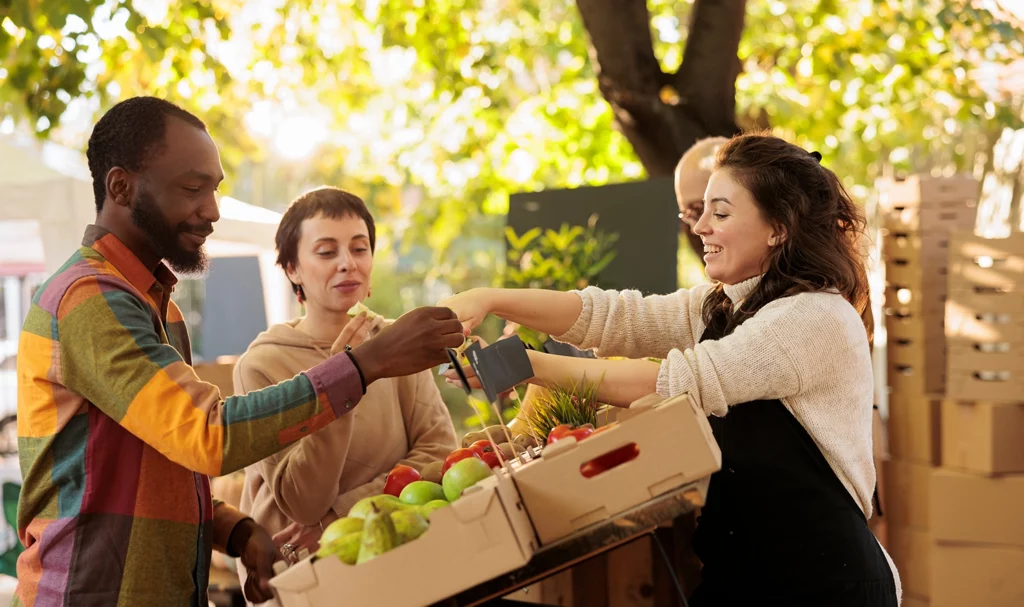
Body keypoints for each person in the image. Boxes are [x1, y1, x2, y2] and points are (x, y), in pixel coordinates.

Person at [14, 96, 463, 607]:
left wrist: (238, 532)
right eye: (191, 189)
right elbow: (206, 434)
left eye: (215, 189)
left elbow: (165, 464)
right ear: (121, 186)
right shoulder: (87, 299)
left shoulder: (158, 307)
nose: (212, 211)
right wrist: (365, 366)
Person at [441, 133, 901, 606]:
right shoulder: (722, 304)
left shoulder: (813, 317)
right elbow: (613, 317)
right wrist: (489, 297)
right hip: (745, 575)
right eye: (700, 211)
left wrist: (523, 365)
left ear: (778, 227)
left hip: (824, 584)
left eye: (720, 213)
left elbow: (674, 382)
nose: (700, 226)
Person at [232, 187, 458, 601]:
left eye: (359, 248)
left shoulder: (396, 342)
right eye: (325, 251)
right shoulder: (260, 366)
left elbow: (441, 450)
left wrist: (344, 512)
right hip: (306, 579)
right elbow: (303, 505)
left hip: (399, 562)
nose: (347, 264)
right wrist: (342, 380)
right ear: (292, 269)